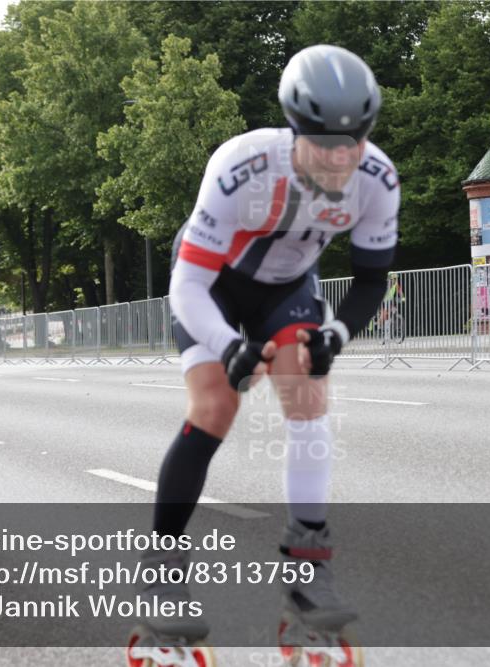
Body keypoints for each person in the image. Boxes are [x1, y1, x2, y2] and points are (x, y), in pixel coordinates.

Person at [133, 44, 398, 656]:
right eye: (324, 144)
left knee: (307, 395)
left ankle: (308, 570)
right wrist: (228, 348)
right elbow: (188, 285)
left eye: (353, 141)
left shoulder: (378, 178)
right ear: (294, 130)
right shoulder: (242, 166)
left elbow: (370, 281)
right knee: (214, 406)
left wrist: (336, 335)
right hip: (212, 287)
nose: (340, 158)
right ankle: (162, 574)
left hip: (286, 291)